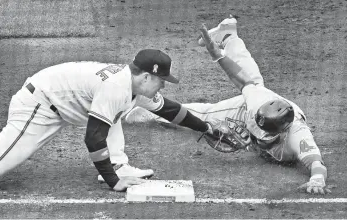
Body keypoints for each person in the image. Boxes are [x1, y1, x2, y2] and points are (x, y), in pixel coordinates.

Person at [126, 17, 330, 195]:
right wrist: (217, 55)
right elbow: (241, 79)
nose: (258, 135)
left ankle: (229, 36)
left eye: (264, 135)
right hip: (247, 106)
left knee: (256, 83)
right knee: (205, 115)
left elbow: (316, 163)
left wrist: (317, 180)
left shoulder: (297, 134)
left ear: (282, 133)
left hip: (267, 108)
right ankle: (150, 110)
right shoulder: (255, 106)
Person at [0, 49, 212, 191]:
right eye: (162, 81)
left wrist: (208, 128)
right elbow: (93, 138)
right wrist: (114, 182)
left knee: (111, 112)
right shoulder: (116, 88)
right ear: (146, 77)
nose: (163, 86)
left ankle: (118, 164)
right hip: (39, 105)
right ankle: (116, 172)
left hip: (63, 101)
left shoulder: (133, 85)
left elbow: (170, 110)